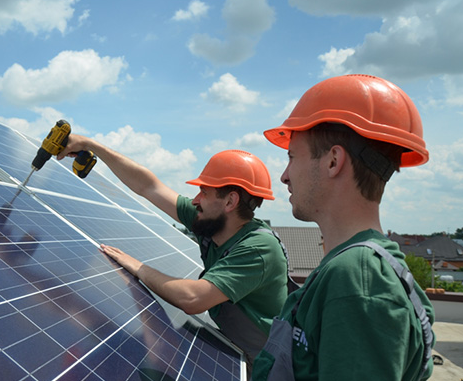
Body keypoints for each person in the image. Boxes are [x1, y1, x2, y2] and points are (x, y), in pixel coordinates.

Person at [252, 74, 435, 381]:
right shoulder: (359, 270)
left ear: (333, 161)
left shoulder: (358, 283)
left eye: (292, 157)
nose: (284, 176)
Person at [58, 138, 291, 368]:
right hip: (237, 348)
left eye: (205, 192)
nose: (196, 200)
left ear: (230, 201)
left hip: (265, 366)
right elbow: (149, 187)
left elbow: (192, 298)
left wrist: (137, 267)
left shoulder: (258, 248)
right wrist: (91, 145)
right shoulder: (211, 222)